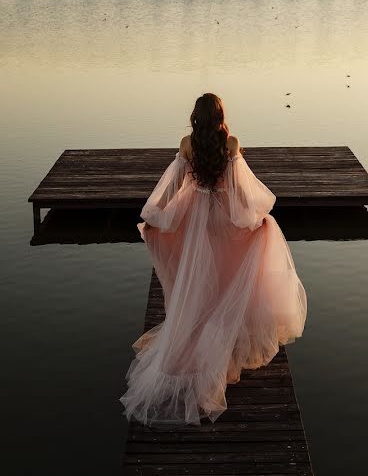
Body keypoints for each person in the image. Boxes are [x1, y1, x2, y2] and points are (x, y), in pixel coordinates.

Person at [120, 93, 307, 426]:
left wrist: (157, 216)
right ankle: (222, 335)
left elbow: (174, 185)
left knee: (202, 279)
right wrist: (255, 218)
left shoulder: (187, 144)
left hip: (196, 220)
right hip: (224, 220)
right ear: (220, 115)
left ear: (196, 116)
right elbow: (240, 191)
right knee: (224, 276)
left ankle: (203, 329)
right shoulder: (231, 143)